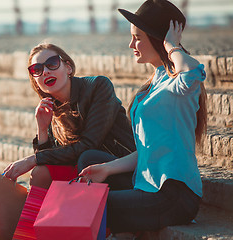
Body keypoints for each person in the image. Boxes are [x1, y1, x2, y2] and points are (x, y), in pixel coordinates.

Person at [79, 0, 207, 234]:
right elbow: (148, 151)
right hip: (146, 185)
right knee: (89, 159)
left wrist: (172, 46)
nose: (131, 44)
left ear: (158, 39)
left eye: (138, 37)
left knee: (92, 207)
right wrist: (107, 168)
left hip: (173, 194)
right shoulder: (156, 80)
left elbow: (191, 72)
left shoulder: (178, 85)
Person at [3, 43, 136, 189]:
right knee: (41, 172)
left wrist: (32, 159)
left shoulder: (98, 86)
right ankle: (39, 212)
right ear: (35, 80)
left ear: (68, 67)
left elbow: (89, 145)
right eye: (37, 70)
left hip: (121, 169)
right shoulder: (51, 109)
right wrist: (42, 129)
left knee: (89, 157)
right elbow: (50, 161)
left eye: (52, 63)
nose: (45, 72)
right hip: (83, 172)